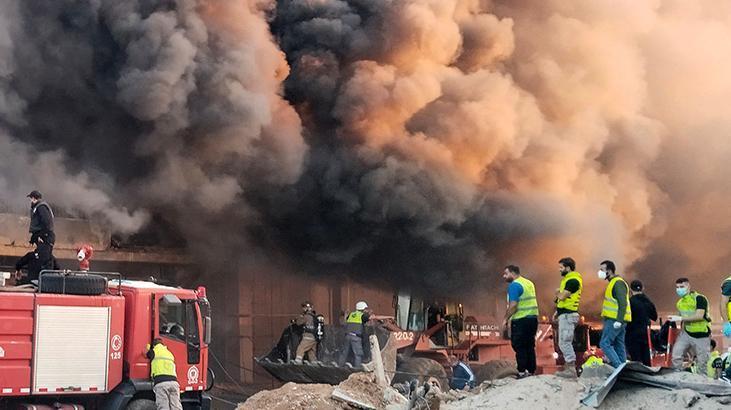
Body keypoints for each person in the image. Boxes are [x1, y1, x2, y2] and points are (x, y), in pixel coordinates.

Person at [502, 265, 539, 378]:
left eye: (506, 274)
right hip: (532, 319)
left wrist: (505, 319)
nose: (504, 276)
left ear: (513, 273)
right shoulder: (529, 283)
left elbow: (513, 305)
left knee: (520, 346)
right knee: (529, 345)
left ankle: (522, 371)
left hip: (520, 320)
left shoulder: (514, 285)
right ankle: (531, 370)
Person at [670, 278, 711, 371]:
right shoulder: (680, 303)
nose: (679, 289)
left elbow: (699, 316)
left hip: (701, 334)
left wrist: (680, 318)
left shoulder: (699, 298)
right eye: (677, 287)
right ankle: (678, 376)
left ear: (688, 286)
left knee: (703, 362)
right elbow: (683, 320)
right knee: (676, 355)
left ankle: (703, 382)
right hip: (686, 333)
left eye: (681, 287)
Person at [598, 260, 631, 368]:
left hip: (615, 320)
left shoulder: (617, 283)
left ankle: (618, 367)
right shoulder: (614, 282)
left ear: (610, 270)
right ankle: (623, 367)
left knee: (605, 343)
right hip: (617, 320)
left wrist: (619, 320)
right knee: (618, 344)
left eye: (602, 269)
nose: (600, 272)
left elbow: (623, 303)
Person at [554, 257, 583, 378]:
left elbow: (562, 297)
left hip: (568, 316)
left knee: (565, 342)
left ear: (568, 268)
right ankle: (569, 367)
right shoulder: (568, 280)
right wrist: (557, 312)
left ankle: (570, 369)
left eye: (561, 267)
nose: (559, 270)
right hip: (565, 315)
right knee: (563, 342)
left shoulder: (573, 281)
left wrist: (557, 293)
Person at [625, 280, 658, 366]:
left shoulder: (629, 302)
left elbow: (626, 318)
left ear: (630, 290)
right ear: (643, 288)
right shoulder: (648, 301)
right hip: (646, 334)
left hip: (632, 334)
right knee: (646, 360)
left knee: (636, 360)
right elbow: (654, 316)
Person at [146, 338, 182, 410]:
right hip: (174, 383)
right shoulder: (169, 353)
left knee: (163, 406)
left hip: (161, 383)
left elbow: (147, 355)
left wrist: (148, 347)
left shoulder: (154, 351)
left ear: (154, 345)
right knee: (176, 406)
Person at [27, 191, 55, 274]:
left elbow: (46, 222)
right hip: (42, 235)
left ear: (33, 198)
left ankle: (47, 278)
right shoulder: (38, 207)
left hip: (45, 236)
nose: (30, 201)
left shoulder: (41, 207)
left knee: (45, 258)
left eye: (31, 198)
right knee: (43, 256)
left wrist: (42, 235)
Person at [339, 301, 371, 367]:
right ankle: (357, 369)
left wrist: (345, 314)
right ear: (362, 309)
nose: (367, 310)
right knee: (358, 355)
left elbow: (346, 321)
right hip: (356, 338)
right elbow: (371, 318)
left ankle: (339, 366)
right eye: (366, 309)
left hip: (348, 336)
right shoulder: (362, 316)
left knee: (344, 353)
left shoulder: (351, 314)